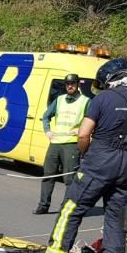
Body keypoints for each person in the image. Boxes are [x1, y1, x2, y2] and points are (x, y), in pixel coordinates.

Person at [35, 57, 127, 253]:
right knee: (115, 218)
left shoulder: (102, 99)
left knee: (71, 209)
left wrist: (86, 155)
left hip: (99, 161)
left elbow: (83, 134)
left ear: (109, 80)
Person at [33, 73, 90, 215]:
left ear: (78, 85)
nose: (70, 86)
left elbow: (93, 121)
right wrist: (47, 131)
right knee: (48, 175)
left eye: (72, 83)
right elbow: (46, 116)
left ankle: (65, 207)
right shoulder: (59, 100)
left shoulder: (85, 101)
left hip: (71, 145)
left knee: (69, 179)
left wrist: (80, 129)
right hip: (55, 143)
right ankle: (43, 205)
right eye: (67, 84)